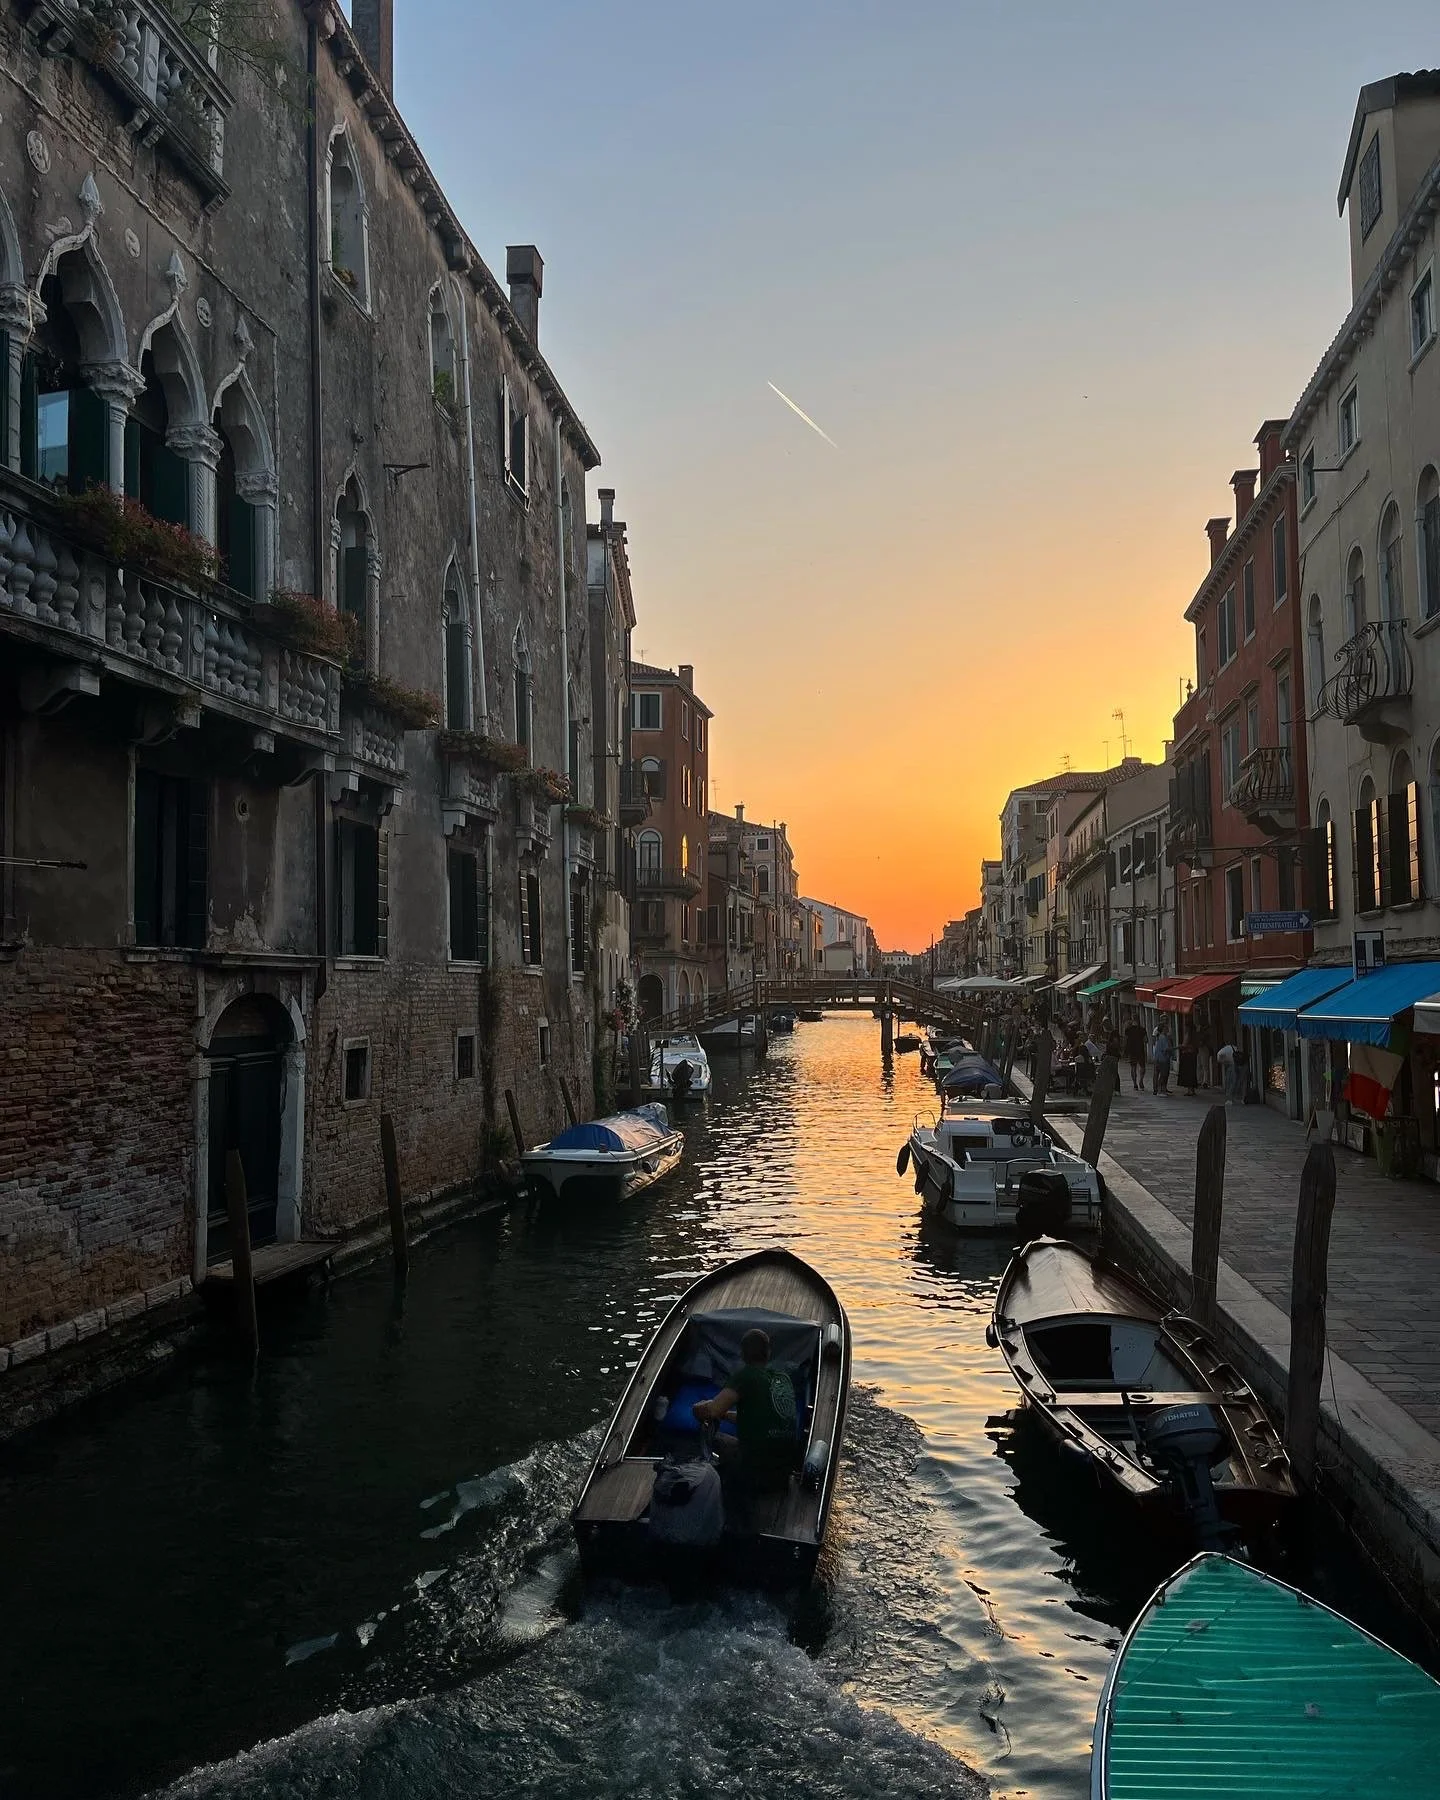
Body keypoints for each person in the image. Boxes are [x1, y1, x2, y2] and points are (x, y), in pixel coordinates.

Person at [693, 1328, 798, 1495]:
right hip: (785, 1467)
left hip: (757, 1468)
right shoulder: (782, 1378)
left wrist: (698, 1408)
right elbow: (761, 1417)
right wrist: (727, 1415)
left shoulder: (745, 1377)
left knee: (712, 1437)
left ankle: (723, 1492)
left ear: (742, 1354)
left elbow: (712, 1411)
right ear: (768, 1353)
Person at [1124, 1019, 1147, 1091]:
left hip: (1132, 1051)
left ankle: (1135, 1084)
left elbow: (1126, 1039)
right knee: (1142, 1066)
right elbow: (1146, 1040)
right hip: (1140, 1050)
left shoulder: (1128, 1030)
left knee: (1133, 1067)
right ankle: (1141, 1081)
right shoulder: (1142, 1029)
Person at [1152, 1023, 1173, 1095]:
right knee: (1163, 1075)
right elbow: (1166, 1049)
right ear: (1163, 1029)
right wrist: (1176, 1048)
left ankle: (1159, 1089)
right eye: (1166, 1027)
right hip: (1162, 1059)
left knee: (1159, 1074)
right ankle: (1159, 1090)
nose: (1167, 1029)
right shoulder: (1163, 1037)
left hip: (1158, 1058)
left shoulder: (1160, 1037)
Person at [1178, 1030, 1199, 1096]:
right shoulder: (1195, 1037)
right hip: (1192, 1055)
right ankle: (1192, 1089)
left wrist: (1180, 1046)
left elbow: (1185, 1045)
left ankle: (1190, 1090)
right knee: (1192, 1072)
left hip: (1188, 1055)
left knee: (1188, 1073)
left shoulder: (1188, 1034)